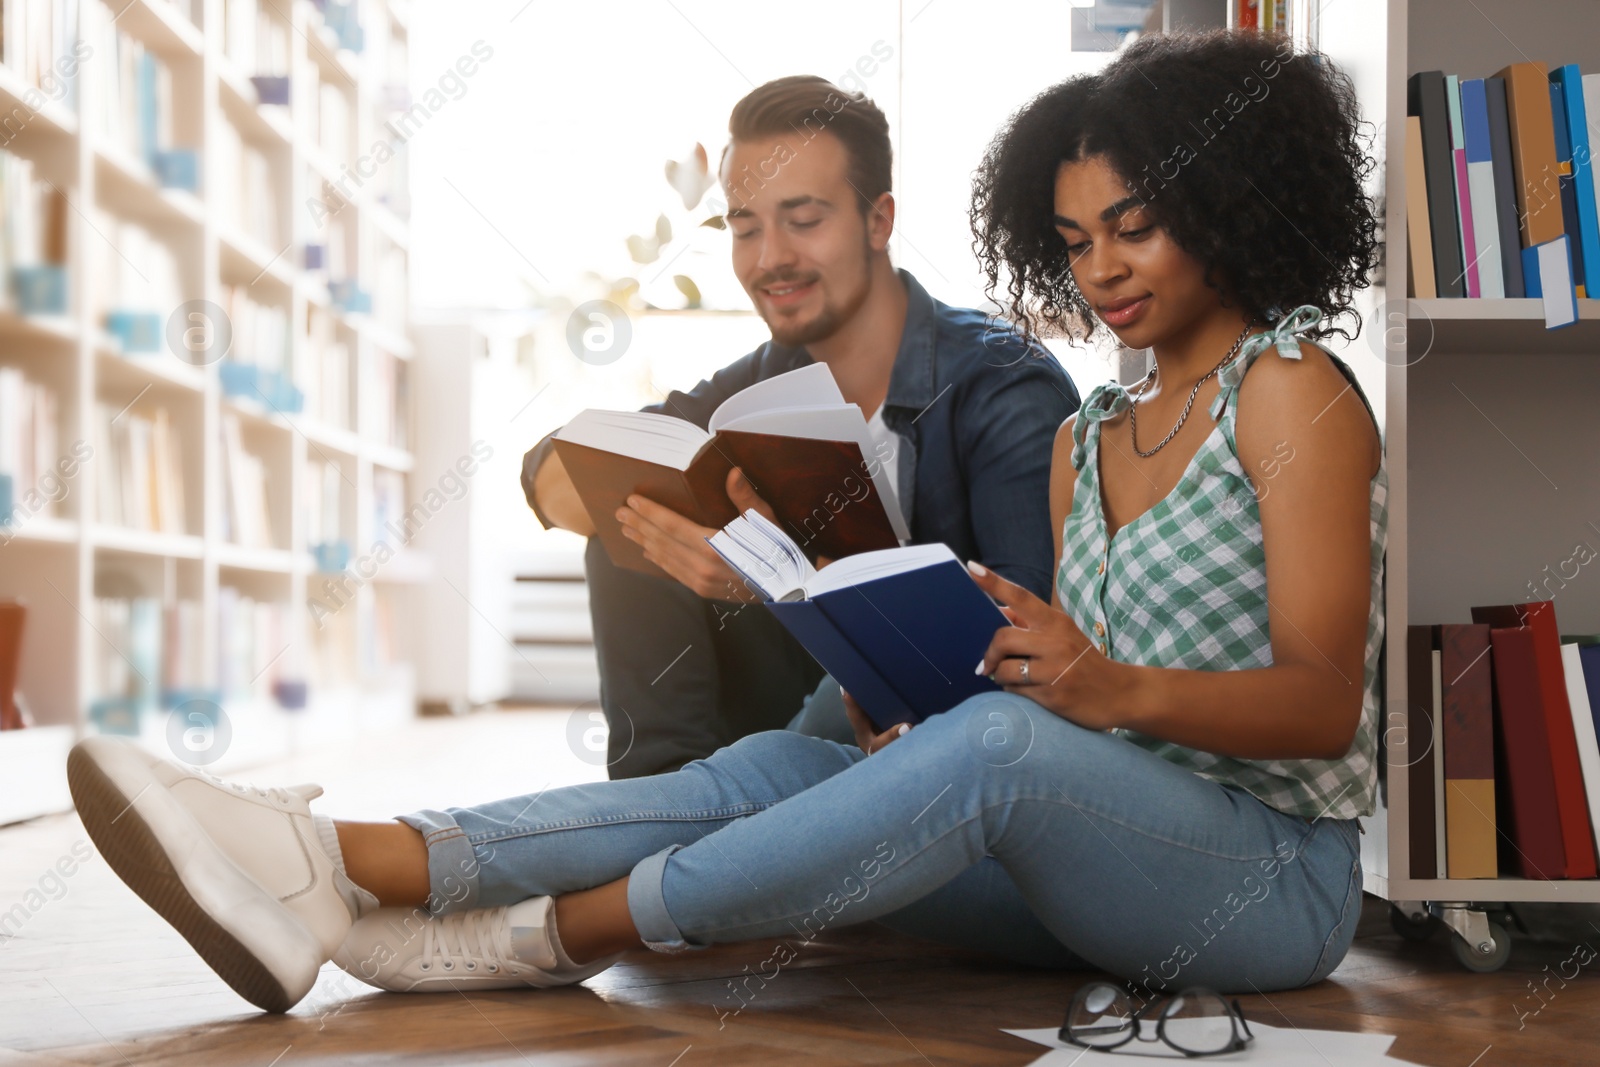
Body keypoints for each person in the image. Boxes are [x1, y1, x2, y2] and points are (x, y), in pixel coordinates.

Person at [69, 28, 1385, 1017]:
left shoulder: (1289, 390)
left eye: (1136, 229)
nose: (1101, 269)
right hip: (1098, 858)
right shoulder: (1091, 427)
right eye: (1076, 237)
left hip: (1268, 879)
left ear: (1226, 209)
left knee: (985, 744)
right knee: (790, 755)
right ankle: (333, 854)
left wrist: (1103, 685)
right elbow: (1051, 682)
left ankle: (555, 931)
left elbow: (1325, 704)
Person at [522, 75, 1079, 777]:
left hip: (945, 734)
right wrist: (700, 539)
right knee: (630, 531)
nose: (769, 258)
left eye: (804, 219)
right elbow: (552, 477)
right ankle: (663, 806)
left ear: (879, 221)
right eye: (745, 227)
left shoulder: (1001, 381)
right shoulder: (757, 383)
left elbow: (1019, 641)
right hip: (772, 729)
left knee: (830, 677)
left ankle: (680, 827)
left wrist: (787, 576)